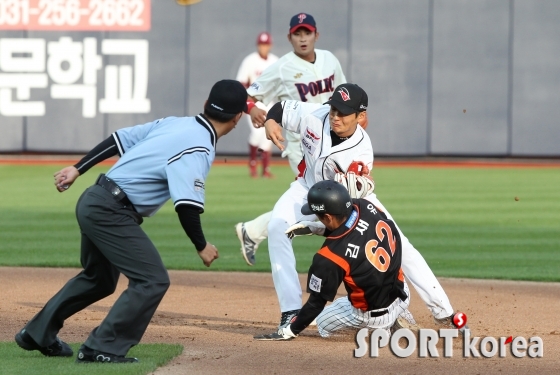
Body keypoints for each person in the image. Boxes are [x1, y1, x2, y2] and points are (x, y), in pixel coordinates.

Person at [14, 79, 248, 363]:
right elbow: (186, 206)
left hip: (94, 199)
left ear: (204, 105)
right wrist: (201, 245)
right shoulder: (199, 147)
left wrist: (78, 168)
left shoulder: (174, 123)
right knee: (152, 280)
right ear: (238, 117)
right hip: (111, 211)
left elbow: (117, 140)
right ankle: (102, 347)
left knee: (99, 279)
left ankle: (36, 333)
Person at [256, 83, 464, 333]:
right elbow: (281, 108)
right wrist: (270, 121)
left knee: (401, 243)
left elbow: (351, 197)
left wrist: (320, 227)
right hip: (305, 189)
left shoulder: (361, 147)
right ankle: (290, 310)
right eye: (333, 109)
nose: (335, 116)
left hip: (352, 198)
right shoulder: (314, 115)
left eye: (343, 112)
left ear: (360, 116)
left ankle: (443, 311)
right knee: (277, 226)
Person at [236, 12, 348, 265]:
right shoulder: (282, 67)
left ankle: (253, 230)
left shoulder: (330, 59)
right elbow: (247, 93)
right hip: (303, 147)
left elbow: (344, 93)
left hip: (334, 142)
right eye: (297, 33)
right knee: (329, 204)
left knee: (327, 203)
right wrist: (251, 108)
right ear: (290, 38)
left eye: (307, 32)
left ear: (316, 34)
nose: (302, 38)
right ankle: (338, 264)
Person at [254, 180, 410, 340]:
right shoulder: (366, 206)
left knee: (322, 323)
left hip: (373, 316)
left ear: (328, 217)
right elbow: (354, 233)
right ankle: (400, 314)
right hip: (402, 291)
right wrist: (317, 228)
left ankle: (381, 329)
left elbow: (315, 304)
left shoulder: (329, 257)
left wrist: (289, 331)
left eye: (319, 217)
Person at [236, 31, 279, 178]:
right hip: (252, 102)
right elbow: (242, 82)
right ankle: (253, 164)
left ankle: (265, 170)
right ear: (258, 45)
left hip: (269, 102)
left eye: (266, 44)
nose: (263, 47)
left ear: (270, 46)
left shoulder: (275, 61)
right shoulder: (250, 61)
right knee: (256, 132)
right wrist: (243, 103)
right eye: (261, 44)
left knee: (267, 138)